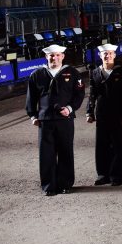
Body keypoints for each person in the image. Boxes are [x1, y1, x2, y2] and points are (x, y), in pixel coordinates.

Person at [26, 44, 85, 196]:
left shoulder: (72, 73)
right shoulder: (37, 75)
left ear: (63, 56)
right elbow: (31, 98)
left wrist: (70, 109)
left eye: (58, 55)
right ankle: (49, 186)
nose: (55, 58)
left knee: (65, 152)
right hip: (45, 121)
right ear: (46, 57)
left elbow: (79, 96)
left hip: (65, 119)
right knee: (46, 154)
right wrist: (33, 116)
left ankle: (65, 184)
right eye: (51, 55)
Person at [86, 43, 122, 187]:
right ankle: (102, 174)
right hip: (101, 114)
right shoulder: (95, 73)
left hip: (117, 114)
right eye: (104, 54)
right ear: (100, 56)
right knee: (101, 145)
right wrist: (90, 112)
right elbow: (92, 95)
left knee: (117, 145)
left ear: (115, 55)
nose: (107, 56)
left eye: (110, 53)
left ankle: (116, 175)